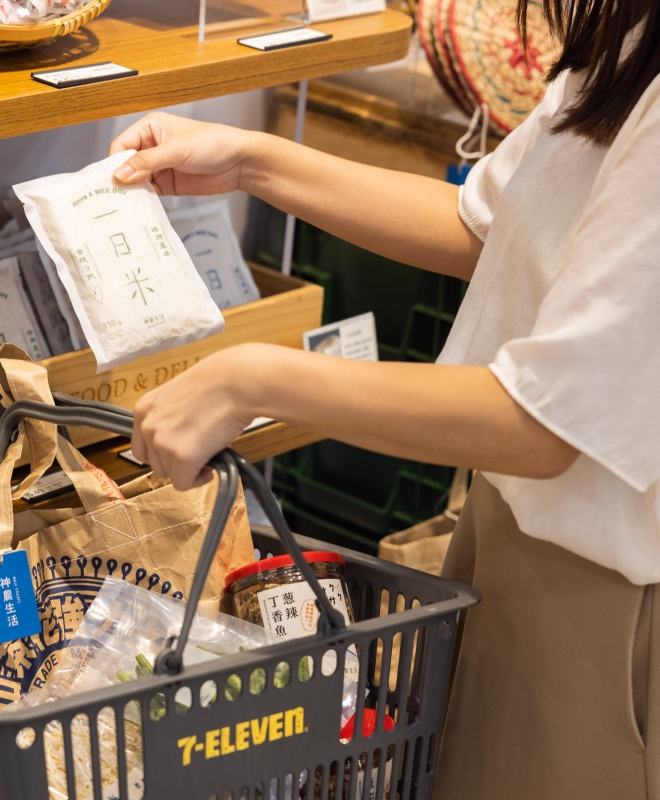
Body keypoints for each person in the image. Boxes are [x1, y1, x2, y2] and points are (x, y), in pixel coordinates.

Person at [112, 0, 660, 797]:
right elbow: (492, 225)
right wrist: (251, 162)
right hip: (509, 539)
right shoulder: (632, 38)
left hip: (608, 605)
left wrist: (255, 379)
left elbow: (542, 422)